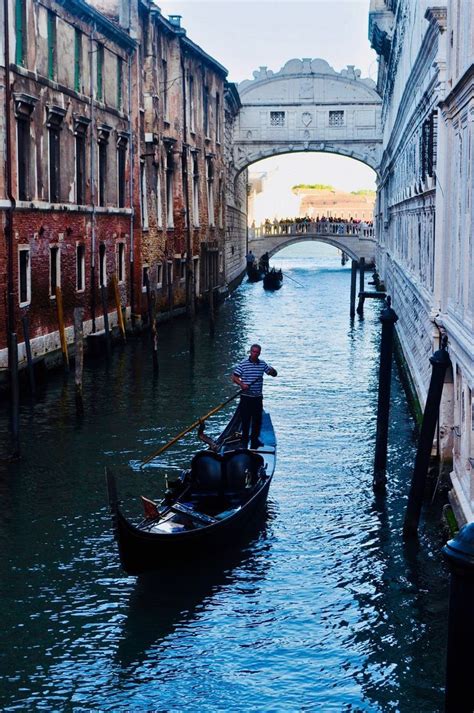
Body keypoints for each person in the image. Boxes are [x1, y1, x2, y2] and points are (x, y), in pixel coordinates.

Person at [232, 344, 277, 449]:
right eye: (254, 352)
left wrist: (272, 371)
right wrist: (242, 384)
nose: (255, 354)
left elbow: (273, 373)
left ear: (259, 353)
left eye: (257, 352)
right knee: (246, 420)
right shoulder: (243, 364)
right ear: (250, 352)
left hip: (257, 398)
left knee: (257, 420)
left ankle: (254, 441)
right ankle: (244, 442)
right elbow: (234, 377)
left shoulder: (262, 364)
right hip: (246, 397)